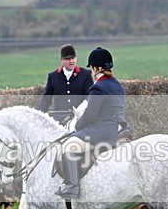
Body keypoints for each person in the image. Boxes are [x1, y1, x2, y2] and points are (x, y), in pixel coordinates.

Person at [56, 47, 129, 199]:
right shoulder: (117, 84)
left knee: (68, 146)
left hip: (103, 132)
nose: (91, 71)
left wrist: (77, 126)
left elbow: (90, 115)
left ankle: (72, 186)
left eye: (92, 68)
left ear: (96, 68)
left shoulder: (98, 87)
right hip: (120, 128)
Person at [36, 44, 94, 124]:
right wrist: (38, 116)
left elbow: (90, 96)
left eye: (73, 58)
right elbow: (46, 100)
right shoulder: (53, 76)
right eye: (68, 59)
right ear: (62, 60)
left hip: (80, 118)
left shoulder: (85, 74)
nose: (71, 61)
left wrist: (82, 109)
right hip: (59, 120)